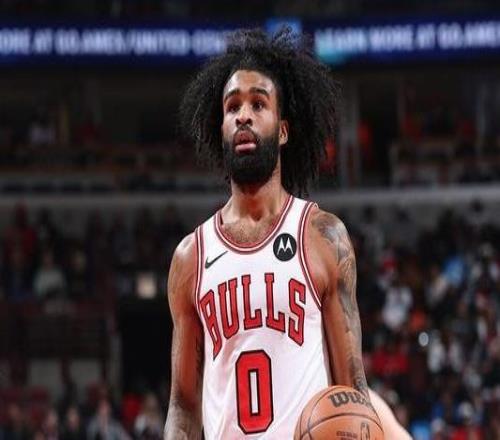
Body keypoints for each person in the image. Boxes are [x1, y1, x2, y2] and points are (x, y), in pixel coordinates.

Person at [165, 27, 409, 439]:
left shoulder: (323, 237)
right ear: (220, 128)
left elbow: (353, 389)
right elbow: (183, 405)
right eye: (232, 106)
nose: (243, 115)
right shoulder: (191, 257)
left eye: (258, 103)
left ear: (282, 130)